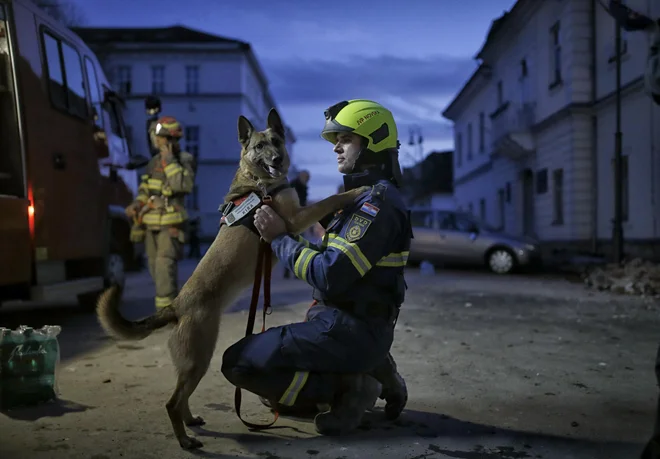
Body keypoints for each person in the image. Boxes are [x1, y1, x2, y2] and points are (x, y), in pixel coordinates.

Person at [221, 99, 411, 435]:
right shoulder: (364, 197)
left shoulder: (376, 204)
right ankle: (375, 369)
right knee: (272, 382)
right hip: (349, 322)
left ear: (373, 141)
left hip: (352, 328)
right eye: (335, 140)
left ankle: (352, 389)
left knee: (240, 363)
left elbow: (329, 273)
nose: (336, 147)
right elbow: (329, 258)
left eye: (346, 139)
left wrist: (279, 239)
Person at [125, 116, 197, 309]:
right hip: (151, 223)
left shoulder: (184, 160)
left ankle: (166, 313)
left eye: (158, 137)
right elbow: (145, 189)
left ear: (169, 138)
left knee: (165, 266)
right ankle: (170, 307)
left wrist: (170, 161)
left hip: (171, 223)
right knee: (155, 268)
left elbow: (183, 185)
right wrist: (137, 205)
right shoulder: (153, 162)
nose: (155, 140)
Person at [284, 170, 311, 278]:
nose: (308, 180)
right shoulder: (295, 186)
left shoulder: (300, 186)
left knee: (296, 246)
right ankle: (290, 271)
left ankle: (293, 272)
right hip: (295, 219)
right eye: (307, 177)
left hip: (299, 218)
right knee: (294, 246)